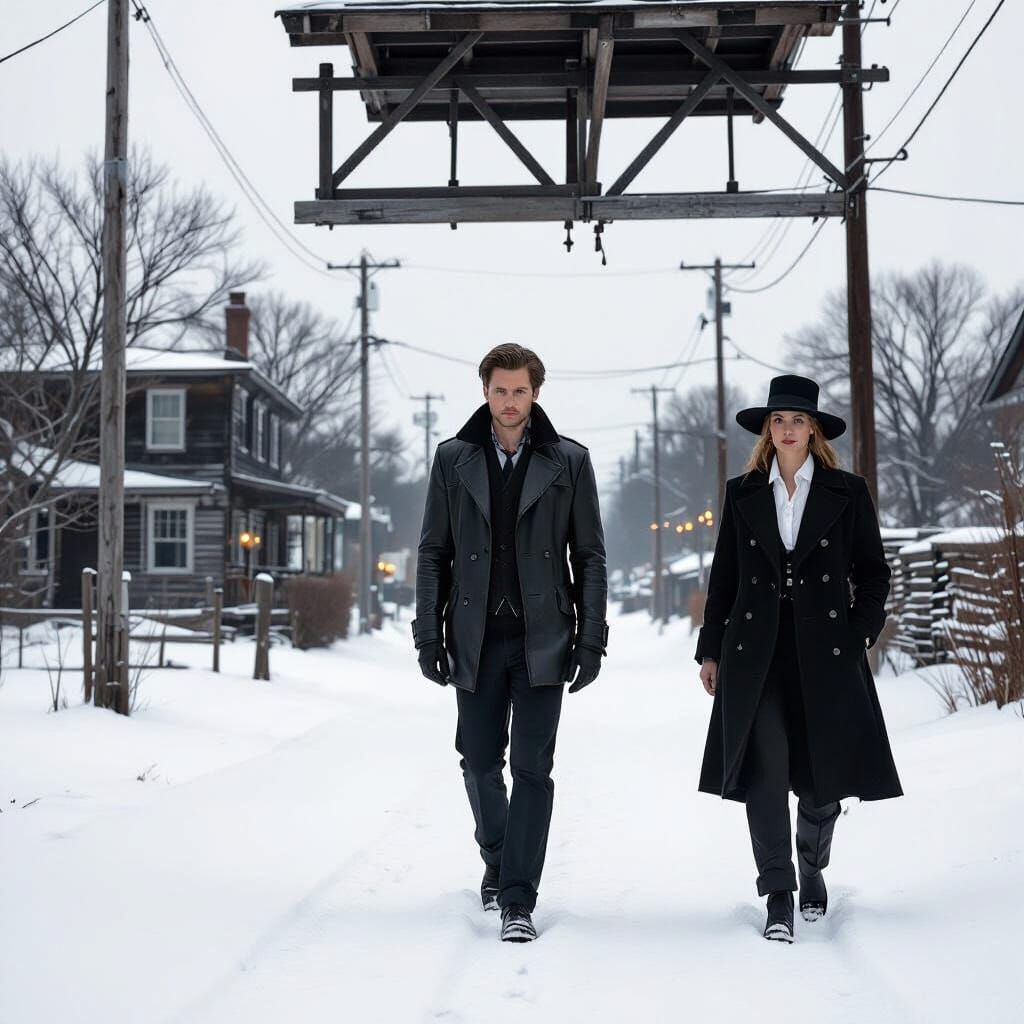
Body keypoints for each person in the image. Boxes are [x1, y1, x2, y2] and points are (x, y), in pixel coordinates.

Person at [695, 374, 902, 943]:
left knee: (819, 783)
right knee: (764, 771)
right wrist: (710, 649)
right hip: (754, 655)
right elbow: (725, 581)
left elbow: (874, 574)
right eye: (778, 421)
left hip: (826, 653)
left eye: (798, 421)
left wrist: (859, 632)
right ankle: (778, 894)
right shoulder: (743, 494)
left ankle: (811, 868)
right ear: (768, 430)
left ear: (813, 430)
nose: (787, 430)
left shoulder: (846, 491)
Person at [413, 343, 609, 943]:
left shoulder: (569, 462)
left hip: (544, 638)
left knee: (532, 769)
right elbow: (432, 553)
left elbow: (592, 557)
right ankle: (498, 855)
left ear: (536, 394)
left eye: (519, 391)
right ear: (485, 391)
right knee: (476, 761)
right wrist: (427, 632)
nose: (509, 401)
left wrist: (592, 639)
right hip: (473, 635)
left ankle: (517, 897)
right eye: (500, 390)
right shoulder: (453, 459)